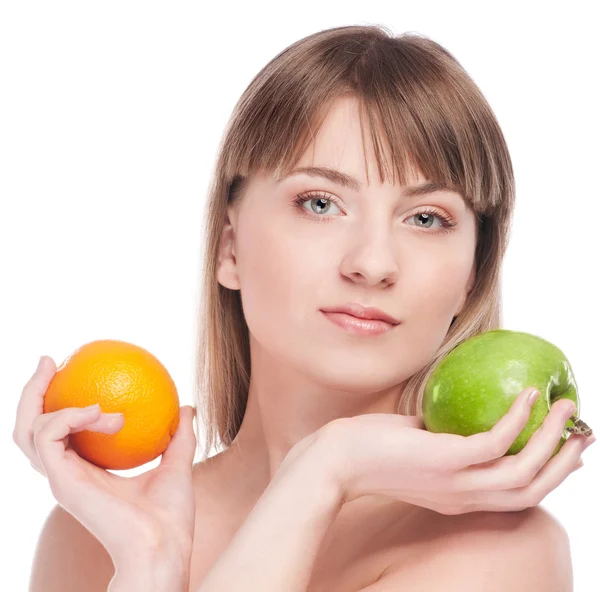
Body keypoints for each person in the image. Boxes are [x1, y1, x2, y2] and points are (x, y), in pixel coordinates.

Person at [14, 24, 594, 592]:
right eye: (320, 203)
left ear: (471, 274)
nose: (372, 263)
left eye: (425, 218)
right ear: (230, 247)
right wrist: (149, 563)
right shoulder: (101, 534)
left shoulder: (504, 555)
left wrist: (325, 467)